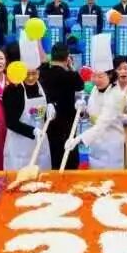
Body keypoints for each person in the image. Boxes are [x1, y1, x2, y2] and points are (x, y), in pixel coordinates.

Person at [70, 34, 126, 169]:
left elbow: (102, 124)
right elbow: (92, 115)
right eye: (94, 76)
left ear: (110, 75)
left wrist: (79, 139)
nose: (96, 80)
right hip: (96, 146)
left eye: (100, 76)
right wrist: (83, 110)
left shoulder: (115, 95)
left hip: (111, 149)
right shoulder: (95, 89)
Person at [3, 34, 53, 171]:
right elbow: (10, 122)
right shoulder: (12, 90)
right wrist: (32, 131)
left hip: (40, 144)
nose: (31, 78)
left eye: (34, 73)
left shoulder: (42, 86)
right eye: (27, 73)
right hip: (19, 147)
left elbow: (47, 103)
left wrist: (51, 107)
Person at [39, 42, 84, 170]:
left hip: (48, 122)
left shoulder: (43, 72)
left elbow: (43, 62)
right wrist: (71, 67)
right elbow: (80, 85)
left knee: (52, 157)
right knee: (68, 158)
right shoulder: (71, 76)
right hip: (67, 125)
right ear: (68, 57)